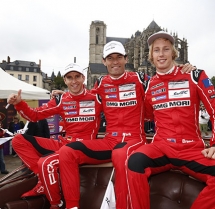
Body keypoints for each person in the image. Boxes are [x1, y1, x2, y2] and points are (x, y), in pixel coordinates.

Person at [56, 41, 194, 209]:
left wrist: (184, 70)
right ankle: (71, 206)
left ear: (125, 59)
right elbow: (87, 99)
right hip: (109, 140)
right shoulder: (100, 83)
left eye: (119, 57)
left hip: (134, 139)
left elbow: (163, 81)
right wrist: (67, 95)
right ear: (104, 61)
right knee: (67, 151)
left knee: (121, 154)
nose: (115, 62)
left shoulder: (140, 78)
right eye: (110, 58)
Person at [127, 31, 215, 209]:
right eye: (156, 50)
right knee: (134, 162)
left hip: (191, 149)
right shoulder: (150, 85)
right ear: (150, 55)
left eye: (166, 49)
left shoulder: (195, 75)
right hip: (162, 148)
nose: (161, 54)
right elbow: (147, 116)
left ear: (173, 53)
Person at [7, 63, 102, 209]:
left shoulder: (97, 97)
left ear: (83, 78)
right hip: (65, 145)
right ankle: (42, 181)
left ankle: (55, 204)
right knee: (18, 140)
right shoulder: (61, 100)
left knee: (46, 163)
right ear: (65, 80)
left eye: (77, 76)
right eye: (69, 77)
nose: (74, 81)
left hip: (85, 147)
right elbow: (34, 115)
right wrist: (19, 104)